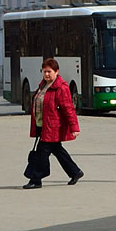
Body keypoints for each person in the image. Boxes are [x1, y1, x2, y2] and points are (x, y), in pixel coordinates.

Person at [23, 58, 83, 189]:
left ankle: (36, 179)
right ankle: (75, 172)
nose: (46, 74)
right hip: (42, 125)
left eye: (49, 72)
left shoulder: (61, 88)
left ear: (57, 72)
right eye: (44, 72)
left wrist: (74, 127)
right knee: (58, 150)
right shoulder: (43, 85)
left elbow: (69, 108)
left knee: (41, 153)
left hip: (53, 127)